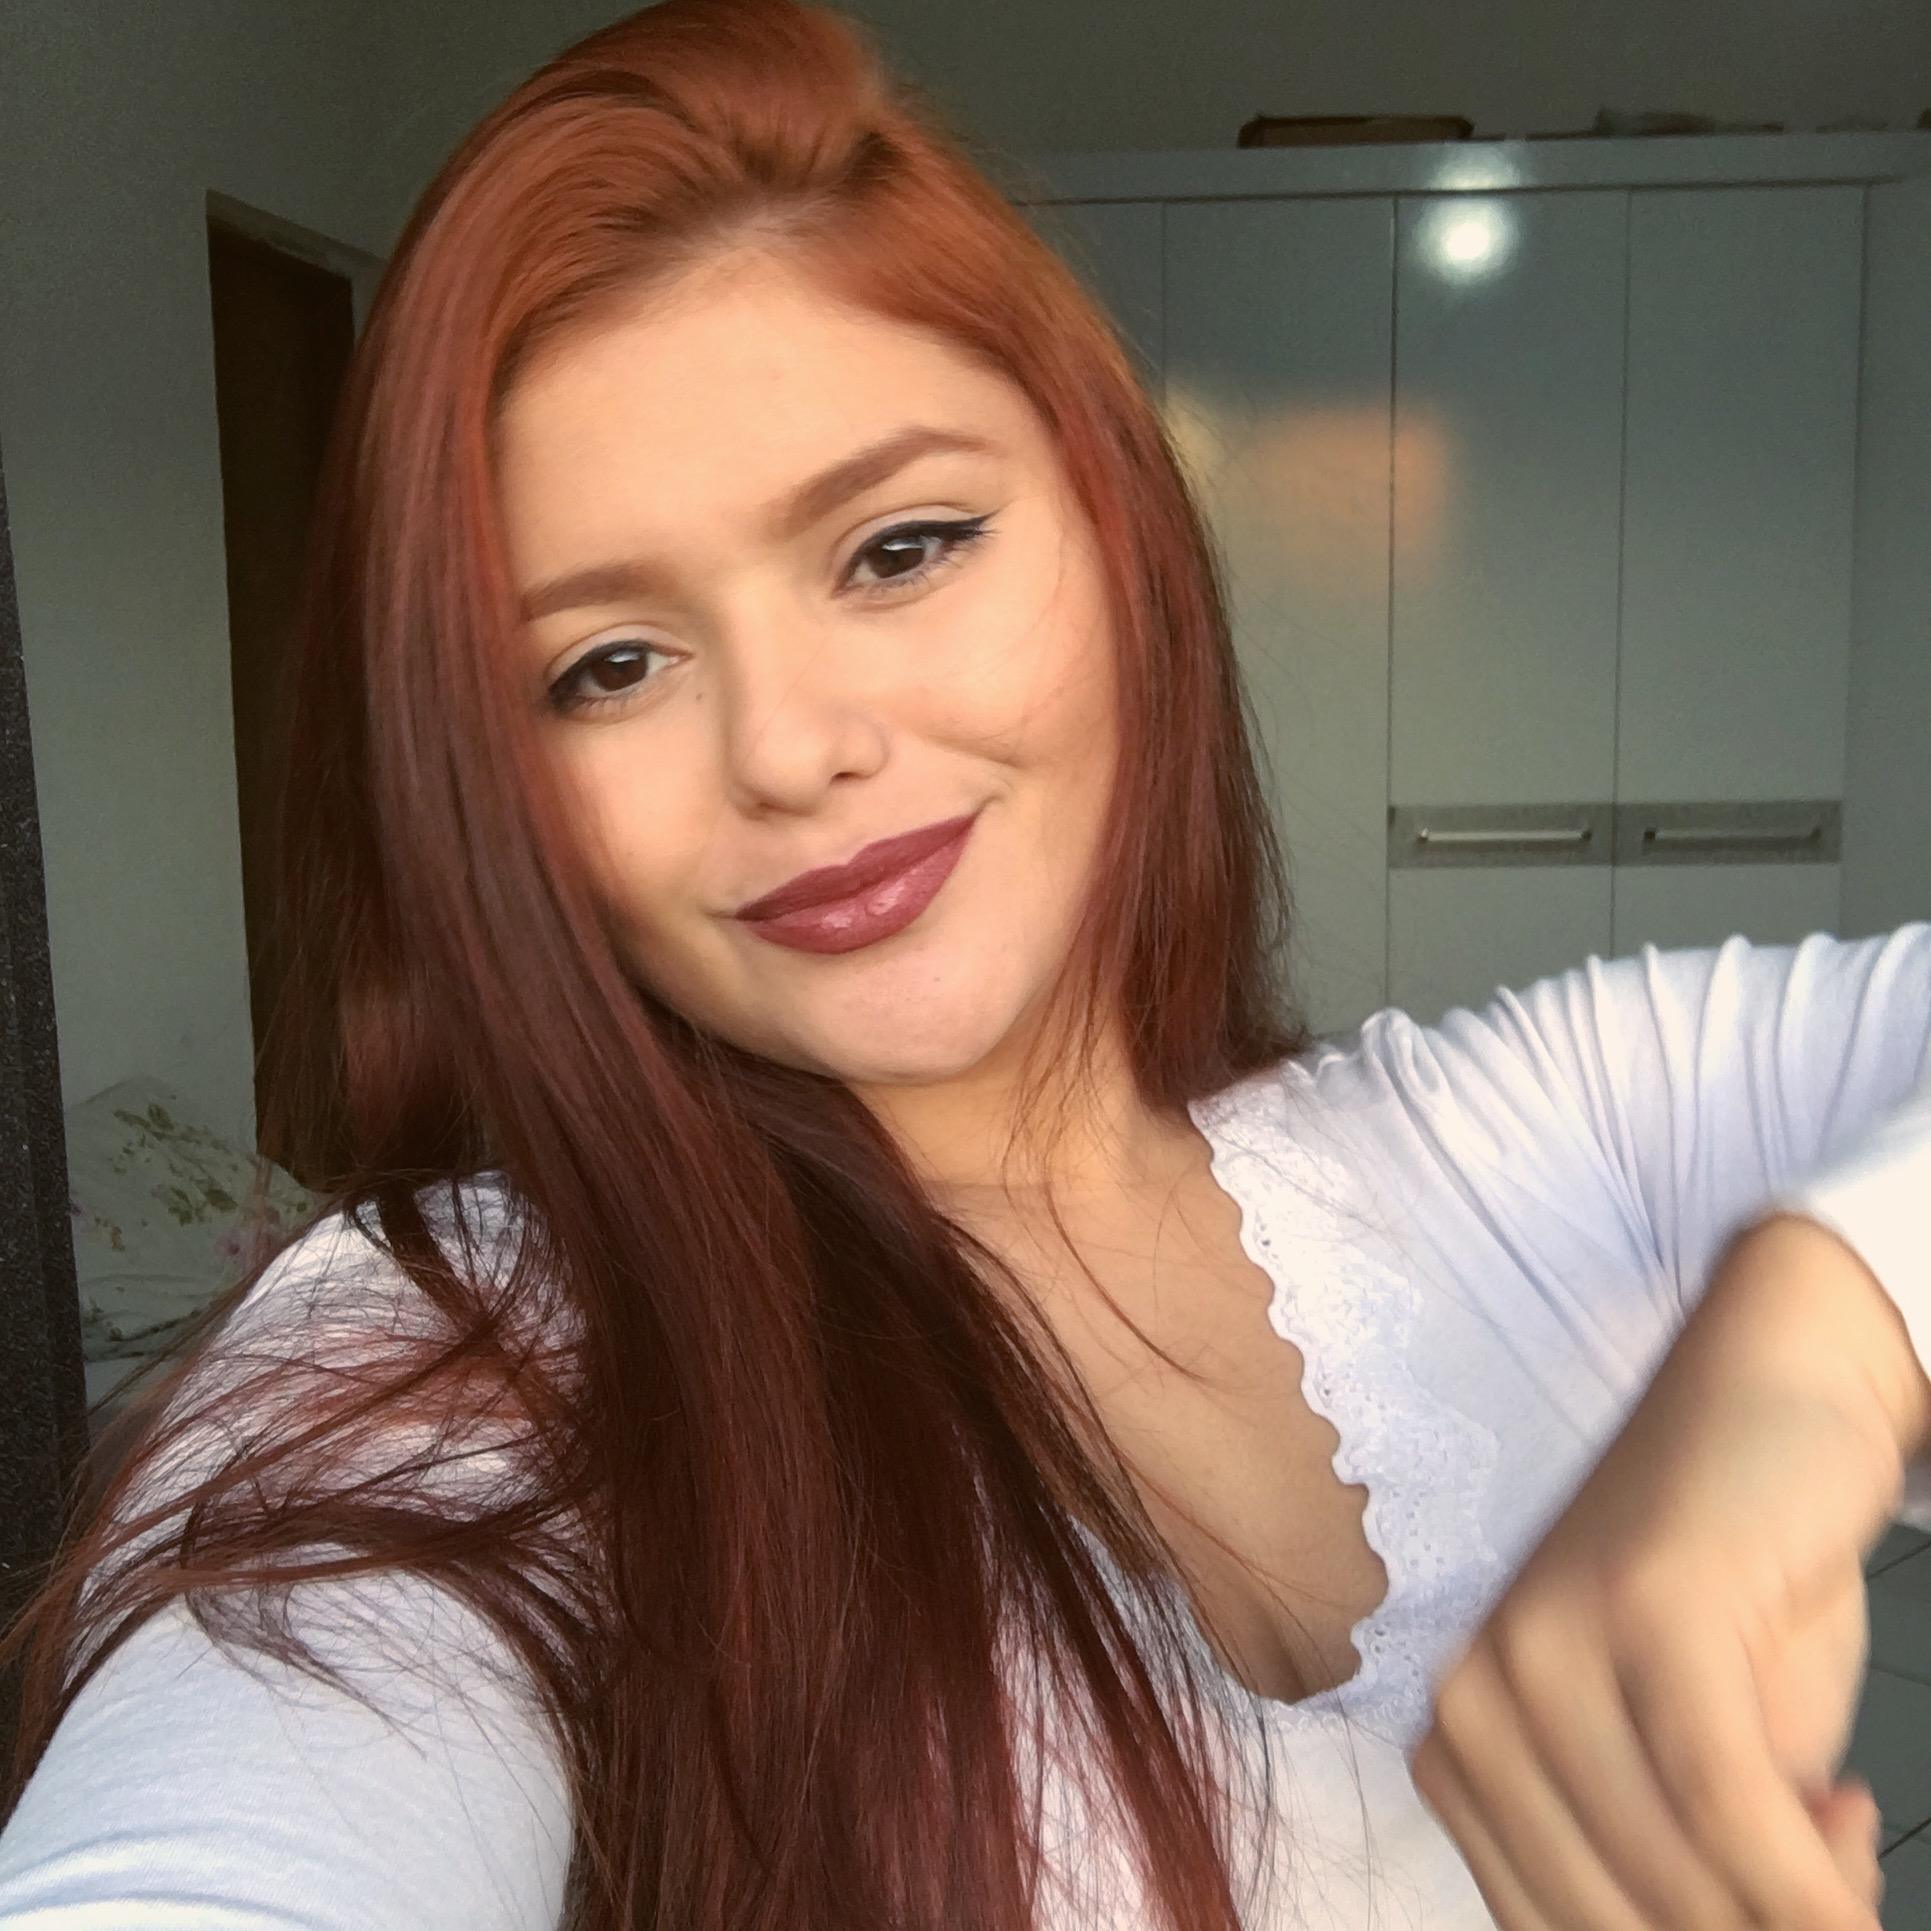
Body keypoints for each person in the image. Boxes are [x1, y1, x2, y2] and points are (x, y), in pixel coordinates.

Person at [1, 2, 1926, 1925]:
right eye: (609, 665)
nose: (790, 749)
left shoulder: (1545, 1133)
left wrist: (1813, 1352)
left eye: (901, 548)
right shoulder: (448, 1360)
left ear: (1119, 527)